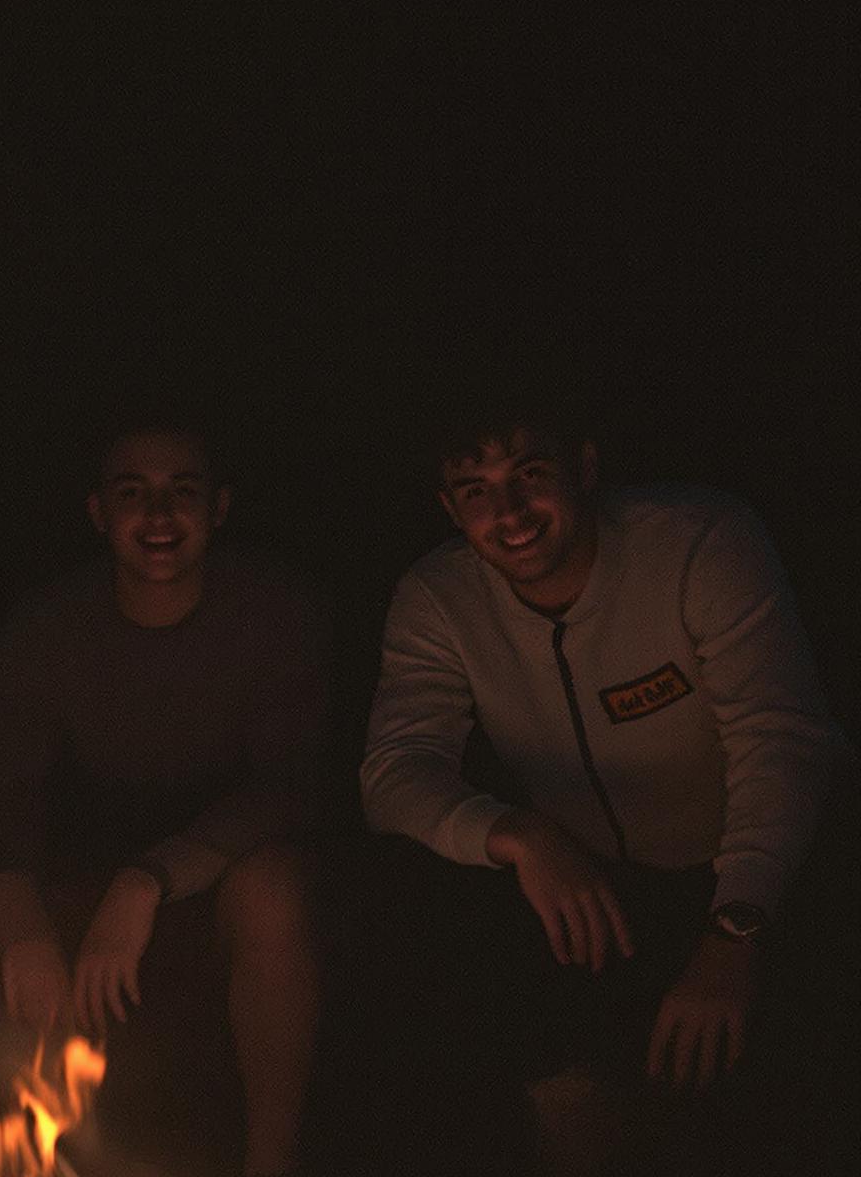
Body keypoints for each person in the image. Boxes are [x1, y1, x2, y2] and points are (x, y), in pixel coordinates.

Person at [361, 403, 848, 1113]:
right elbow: (394, 772)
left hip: (773, 875)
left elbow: (779, 739)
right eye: (477, 491)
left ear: (584, 468)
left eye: (531, 474)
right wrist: (522, 837)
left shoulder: (698, 542)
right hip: (595, 885)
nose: (512, 512)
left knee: (773, 1091)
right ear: (449, 508)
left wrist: (734, 930)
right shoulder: (440, 598)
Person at [0, 418, 330, 1177]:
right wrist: (26, 928)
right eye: (133, 494)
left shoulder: (269, 611)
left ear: (218, 507)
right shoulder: (51, 624)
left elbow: (290, 785)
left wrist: (147, 881)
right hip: (79, 890)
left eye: (181, 492)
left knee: (275, 891)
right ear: (98, 513)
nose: (159, 517)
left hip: (210, 882)